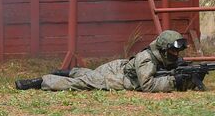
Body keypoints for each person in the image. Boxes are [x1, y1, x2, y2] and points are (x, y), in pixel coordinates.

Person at [15, 30, 193, 93]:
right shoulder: (146, 60)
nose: (176, 54)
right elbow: (147, 85)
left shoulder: (163, 56)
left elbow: (168, 67)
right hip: (116, 78)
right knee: (82, 83)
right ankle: (41, 82)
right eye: (173, 50)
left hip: (119, 67)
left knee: (89, 74)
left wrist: (187, 73)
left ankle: (64, 71)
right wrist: (173, 82)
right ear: (163, 48)